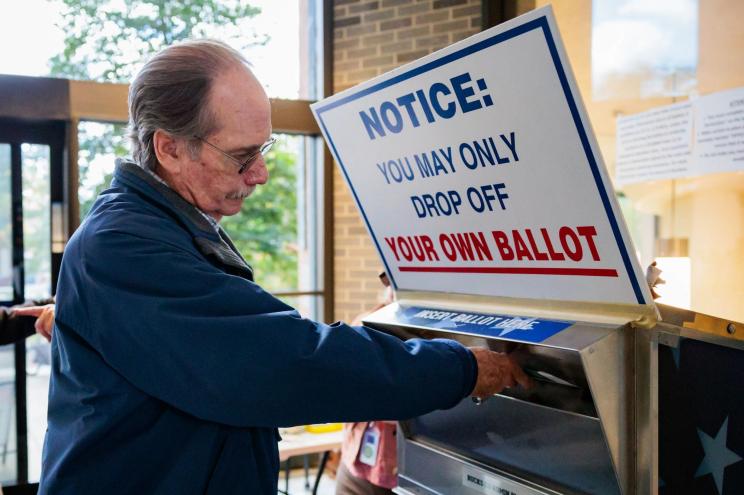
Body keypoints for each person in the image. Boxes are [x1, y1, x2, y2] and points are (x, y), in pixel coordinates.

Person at [39, 40, 530, 495]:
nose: (261, 174)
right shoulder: (124, 246)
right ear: (168, 148)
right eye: (242, 156)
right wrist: (459, 368)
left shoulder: (167, 229)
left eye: (263, 149)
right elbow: (281, 362)